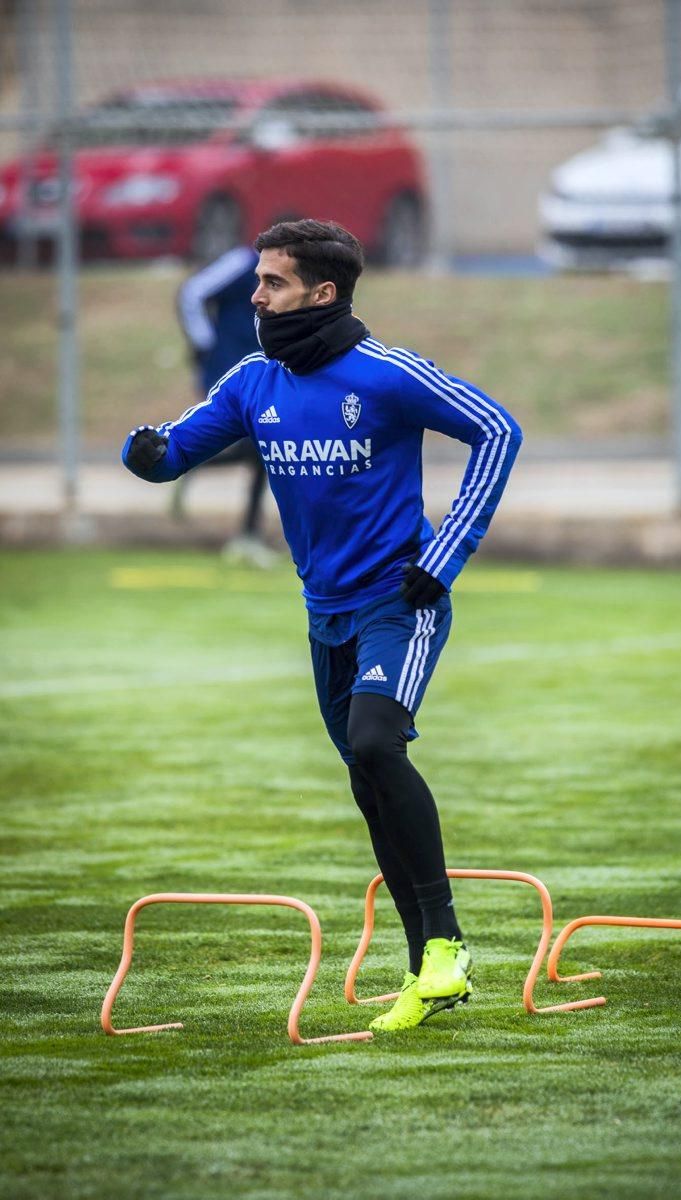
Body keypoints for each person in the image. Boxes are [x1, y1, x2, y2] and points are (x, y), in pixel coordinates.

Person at [122, 219, 522, 1032]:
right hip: (324, 613)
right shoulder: (251, 380)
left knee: (377, 741)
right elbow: (175, 454)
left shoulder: (385, 373)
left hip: (399, 602)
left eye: (271, 282)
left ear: (323, 291)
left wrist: (444, 554)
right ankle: (429, 972)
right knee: (368, 782)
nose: (255, 295)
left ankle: (447, 943)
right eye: (257, 280)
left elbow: (498, 429)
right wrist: (147, 454)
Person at [175, 245, 275, 567]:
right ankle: (183, 460)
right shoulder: (242, 262)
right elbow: (191, 293)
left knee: (264, 450)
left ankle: (188, 463)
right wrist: (204, 346)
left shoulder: (291, 275)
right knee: (262, 449)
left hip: (261, 376)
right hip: (227, 375)